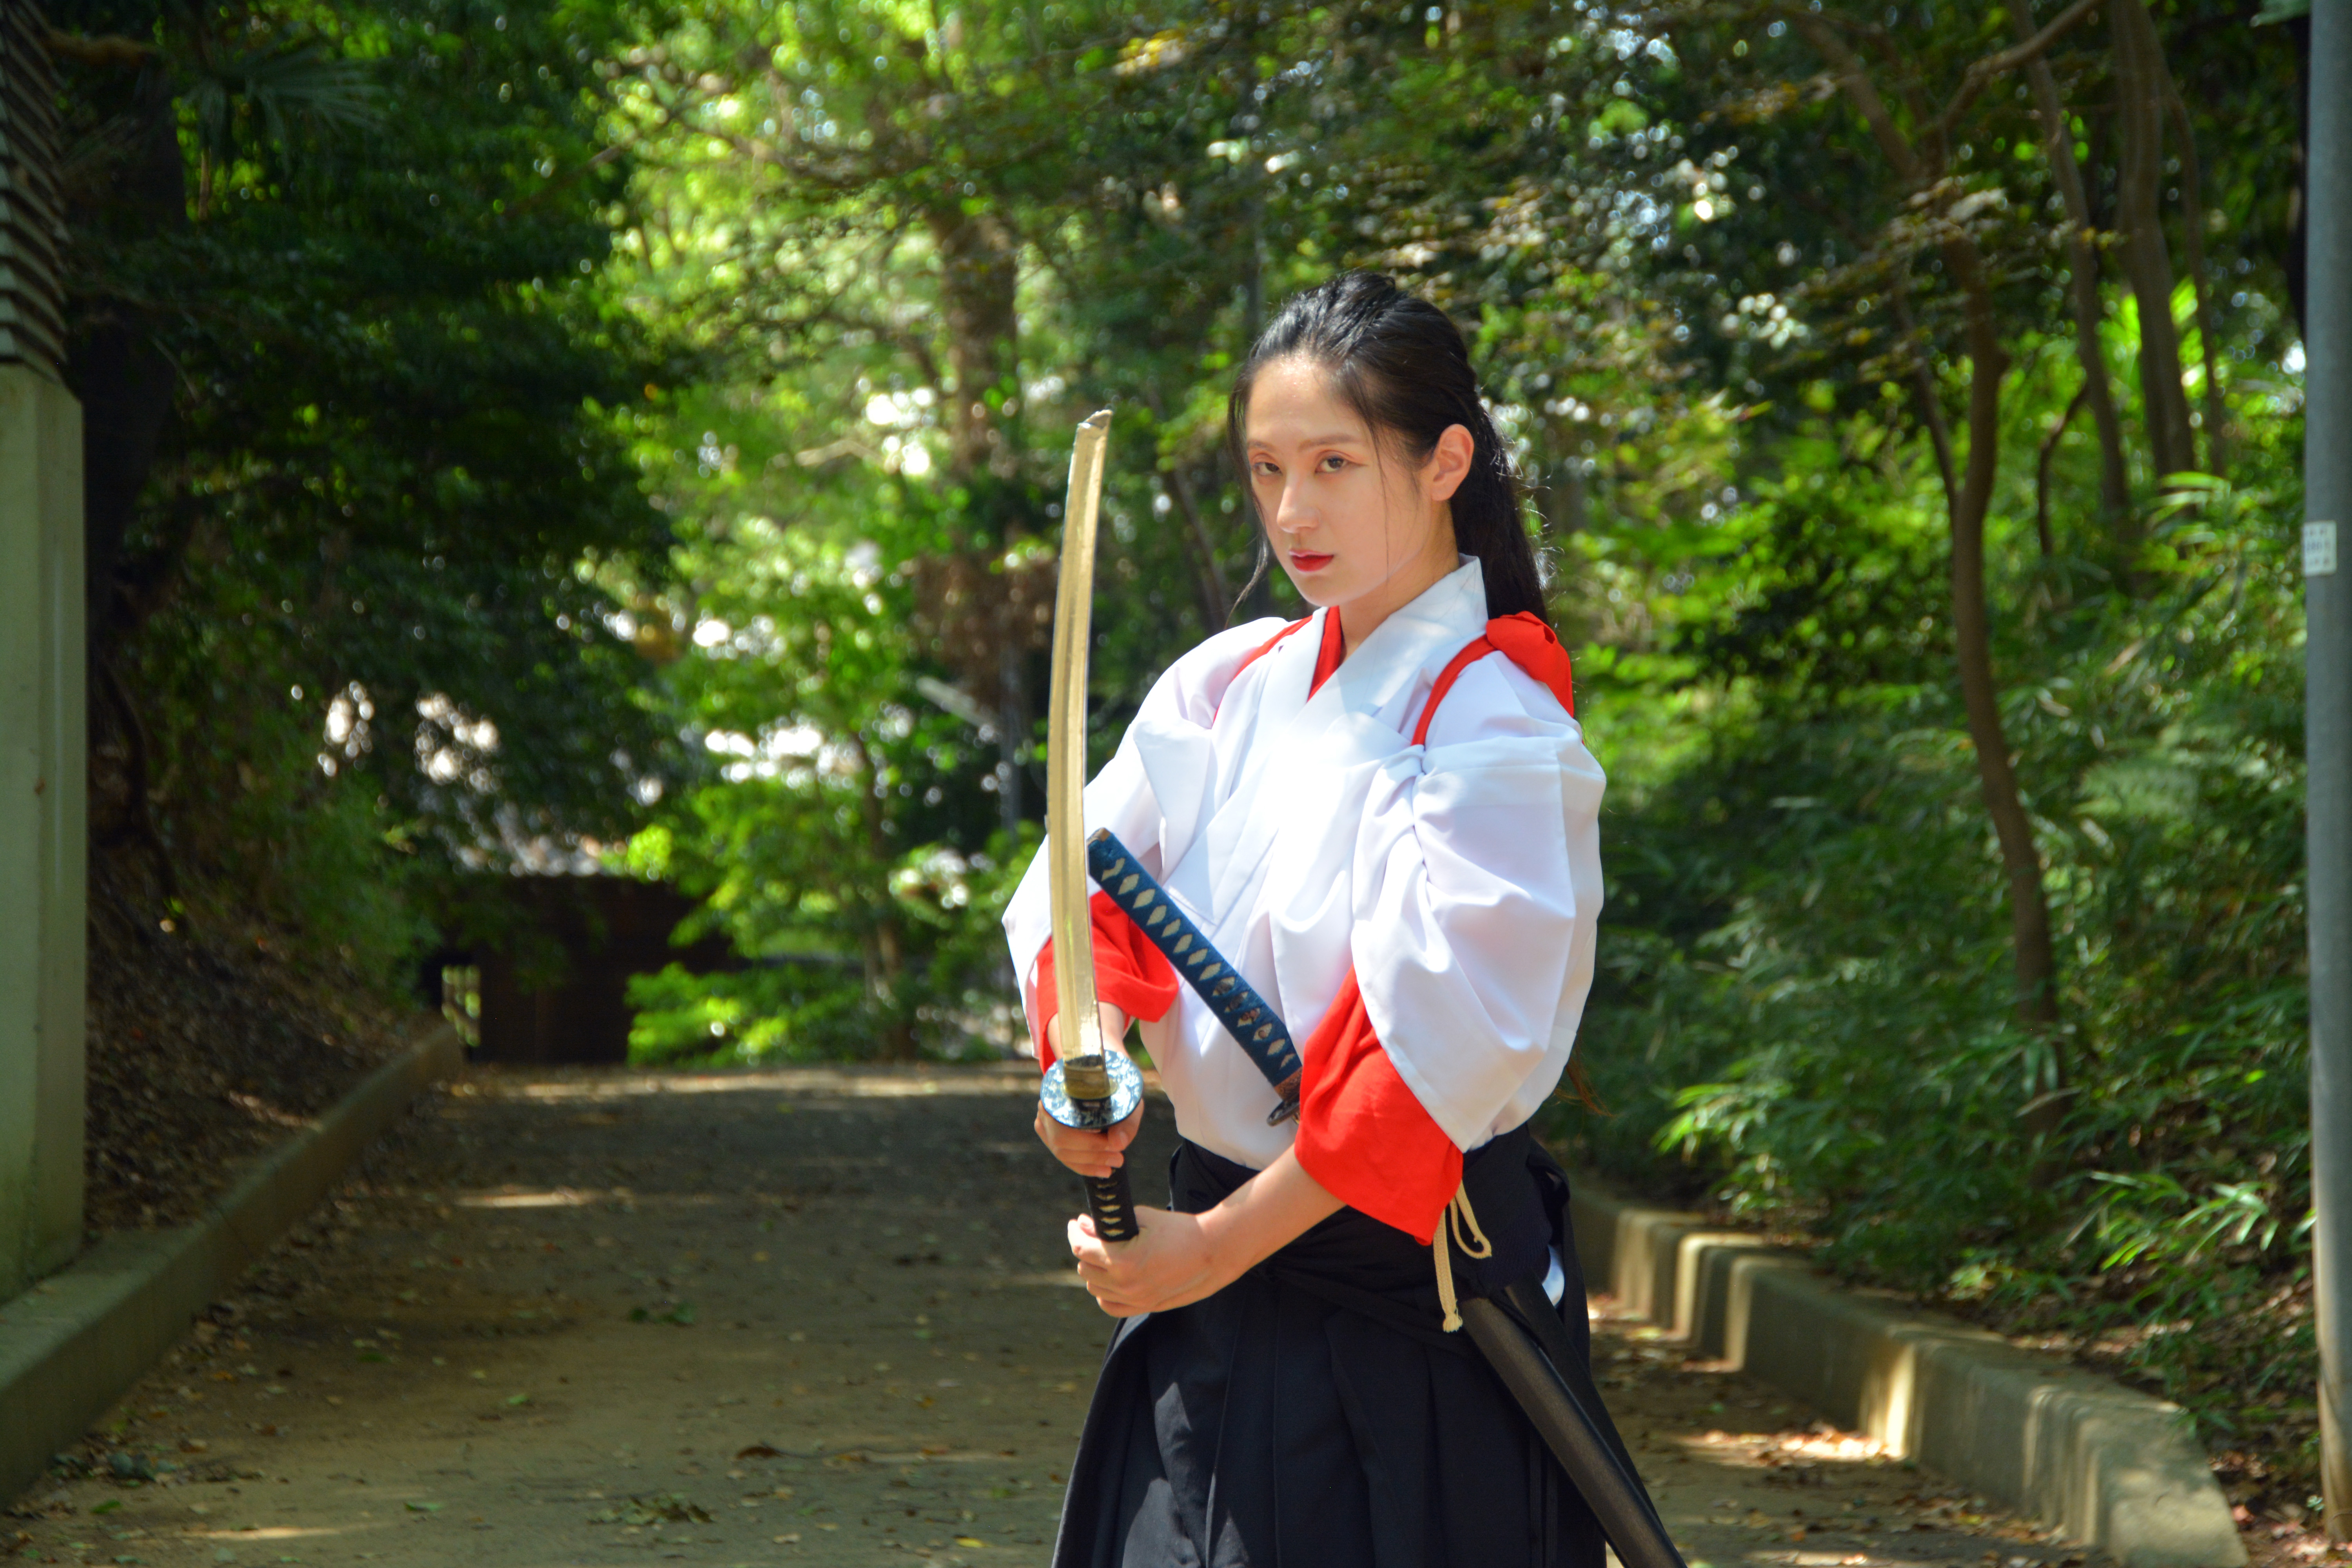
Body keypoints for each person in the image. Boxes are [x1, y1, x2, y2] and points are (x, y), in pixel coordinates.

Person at [1002, 271, 1612, 1568]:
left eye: (1335, 463)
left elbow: (1428, 1060)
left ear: (1446, 461)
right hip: (1206, 1308)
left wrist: (1216, 1249)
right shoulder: (1227, 684)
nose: (1292, 512)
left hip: (1405, 1323)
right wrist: (1086, 1059)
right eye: (1267, 469)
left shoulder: (1498, 729)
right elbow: (1086, 897)